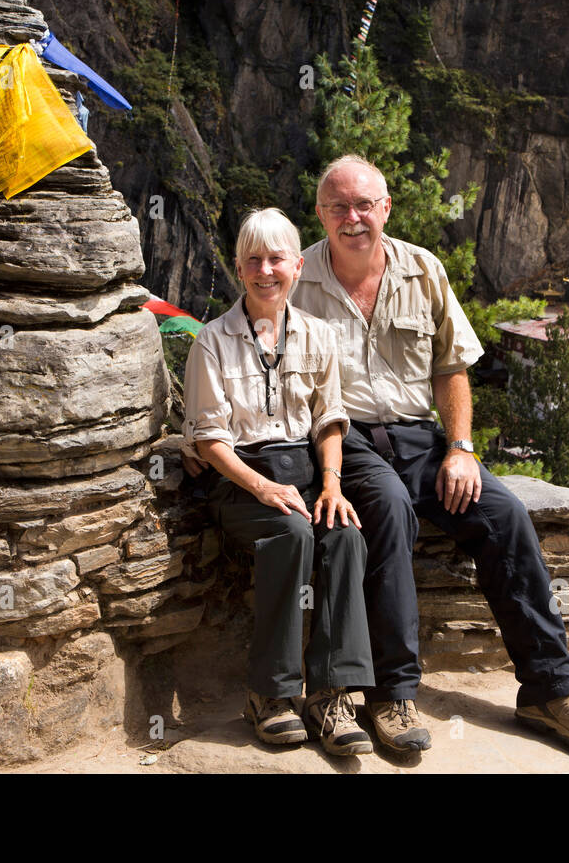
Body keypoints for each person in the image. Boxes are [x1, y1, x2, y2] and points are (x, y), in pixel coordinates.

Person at [290, 154, 569, 755]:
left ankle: (550, 690)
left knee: (504, 516)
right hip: (347, 438)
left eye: (365, 204)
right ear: (320, 214)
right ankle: (392, 695)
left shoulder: (423, 270)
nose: (353, 217)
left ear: (385, 208)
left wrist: (463, 448)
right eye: (338, 206)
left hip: (422, 439)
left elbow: (452, 368)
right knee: (388, 511)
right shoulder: (297, 279)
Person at [182, 207, 375, 756]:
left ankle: (333, 696)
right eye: (253, 260)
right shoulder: (212, 341)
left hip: (306, 474)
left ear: (297, 264)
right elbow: (212, 441)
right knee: (292, 534)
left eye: (276, 259)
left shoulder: (319, 335)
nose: (265, 271)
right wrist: (261, 488)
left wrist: (332, 486)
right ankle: (270, 694)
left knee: (344, 536)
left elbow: (329, 420)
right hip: (240, 479)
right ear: (239, 267)